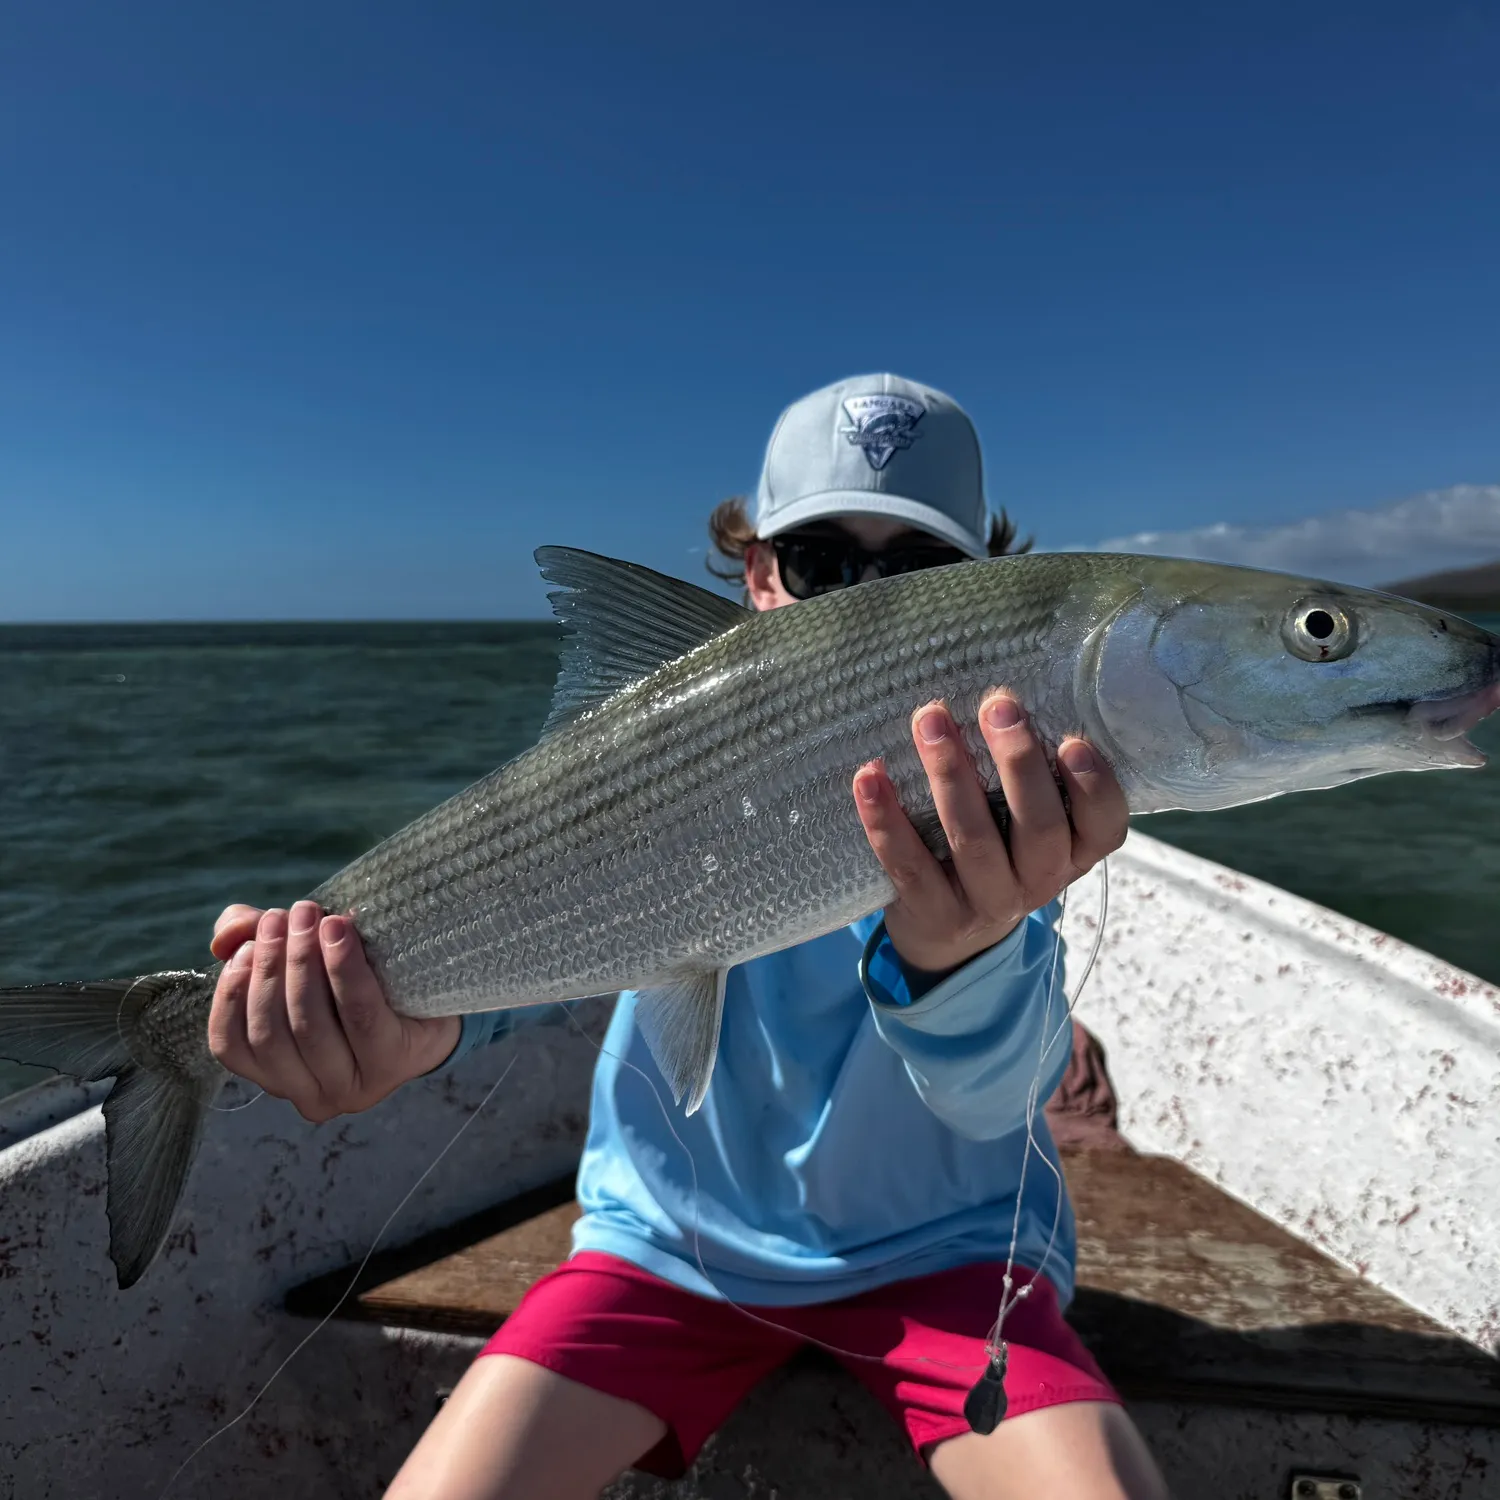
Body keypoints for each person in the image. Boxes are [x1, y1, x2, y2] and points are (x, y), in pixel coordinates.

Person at [206, 374, 1169, 1500]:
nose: (863, 602)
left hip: (947, 1254)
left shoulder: (1011, 806)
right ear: (758, 575)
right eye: (822, 566)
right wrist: (395, 1033)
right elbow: (503, 973)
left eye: (911, 572)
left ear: (974, 596)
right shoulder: (653, 765)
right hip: (666, 1255)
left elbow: (996, 1092)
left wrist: (958, 955)